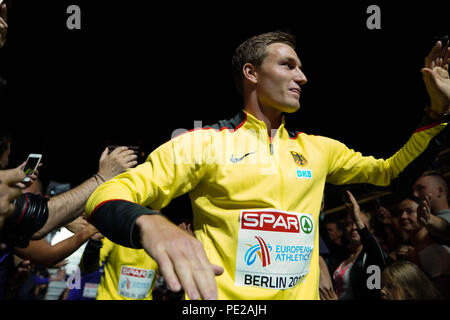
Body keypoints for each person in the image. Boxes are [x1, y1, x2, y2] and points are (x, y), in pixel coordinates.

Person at [85, 32, 450, 300]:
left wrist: (436, 113)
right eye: (288, 65)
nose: (302, 77)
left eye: (301, 68)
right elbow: (105, 195)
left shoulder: (320, 149)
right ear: (252, 73)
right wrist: (149, 223)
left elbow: (392, 175)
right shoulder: (202, 143)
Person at [331, 191, 386, 300]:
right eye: (348, 224)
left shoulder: (370, 256)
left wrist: (358, 220)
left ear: (370, 229)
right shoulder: (343, 256)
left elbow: (373, 293)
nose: (354, 227)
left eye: (358, 223)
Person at [395, 197, 450, 298]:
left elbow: (441, 293)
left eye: (409, 211)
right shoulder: (410, 248)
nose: (403, 216)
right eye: (400, 212)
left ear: (424, 213)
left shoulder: (435, 251)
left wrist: (415, 265)